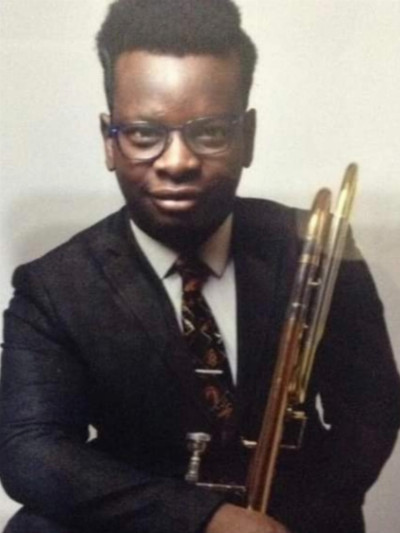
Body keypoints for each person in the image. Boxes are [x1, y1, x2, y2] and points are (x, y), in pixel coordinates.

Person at [1, 1, 399, 532]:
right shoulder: (54, 286)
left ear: (247, 136)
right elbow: (30, 450)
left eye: (210, 132)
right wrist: (203, 519)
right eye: (144, 134)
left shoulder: (318, 245)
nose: (178, 162)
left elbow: (370, 415)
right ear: (109, 141)